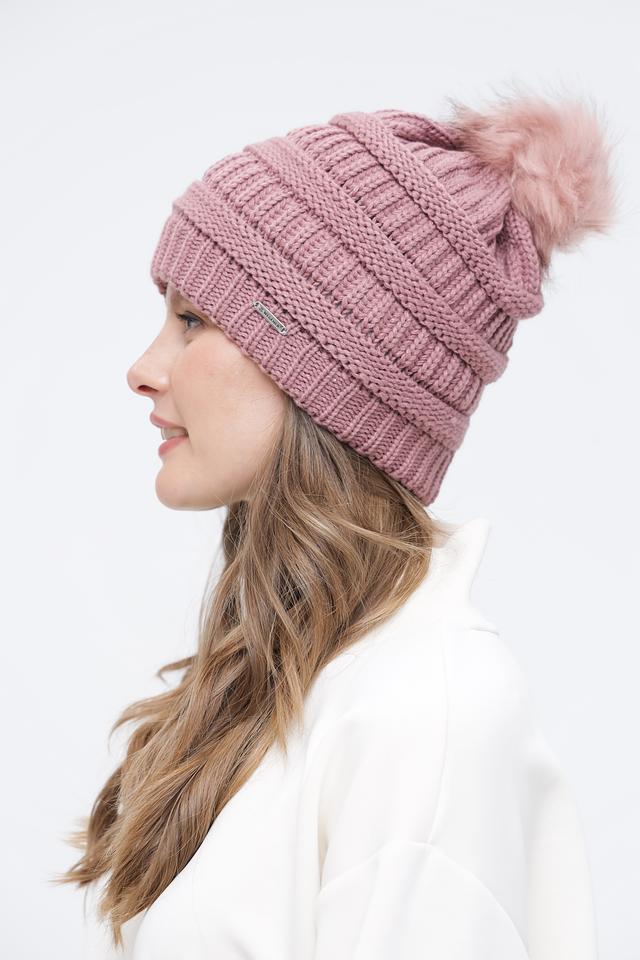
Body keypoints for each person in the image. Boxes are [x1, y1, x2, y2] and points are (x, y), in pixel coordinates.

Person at [54, 85, 618, 958]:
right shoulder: (303, 681)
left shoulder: (425, 709)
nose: (143, 368)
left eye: (193, 320)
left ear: (324, 369)